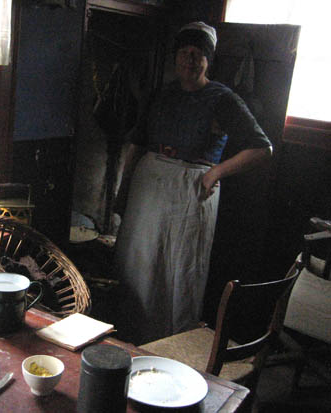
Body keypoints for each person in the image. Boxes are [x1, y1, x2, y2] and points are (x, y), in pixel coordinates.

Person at [112, 21, 273, 345]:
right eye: (184, 52)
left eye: (197, 53)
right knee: (140, 265)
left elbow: (262, 148)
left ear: (207, 60)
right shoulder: (162, 94)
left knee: (179, 269)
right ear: (175, 57)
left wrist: (215, 173)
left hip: (191, 190)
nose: (189, 59)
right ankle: (131, 339)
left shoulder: (222, 98)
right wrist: (122, 191)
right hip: (150, 185)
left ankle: (172, 344)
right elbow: (138, 143)